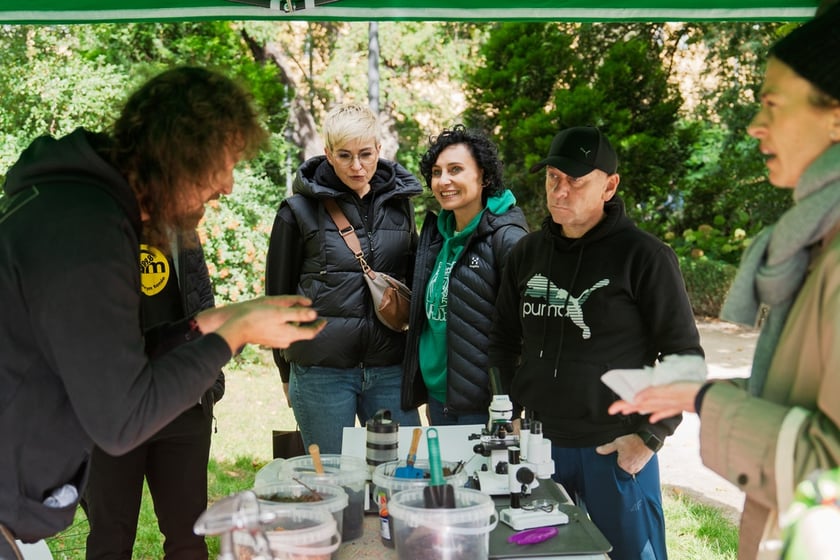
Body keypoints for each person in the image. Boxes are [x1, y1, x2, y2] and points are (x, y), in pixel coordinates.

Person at [0, 66, 326, 557]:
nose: (229, 186)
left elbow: (108, 357)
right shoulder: (84, 228)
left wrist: (204, 325)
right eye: (226, 162)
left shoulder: (81, 205)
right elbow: (122, 420)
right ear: (180, 151)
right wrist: (230, 336)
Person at [608, 4, 840, 559]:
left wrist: (708, 398)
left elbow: (827, 472)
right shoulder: (817, 238)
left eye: (773, 106)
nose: (756, 126)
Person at [488, 126, 704, 560]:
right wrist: (503, 410)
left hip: (613, 449)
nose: (560, 192)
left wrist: (650, 436)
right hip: (539, 447)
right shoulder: (526, 255)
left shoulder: (645, 257)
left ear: (609, 186)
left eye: (576, 181)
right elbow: (502, 341)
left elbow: (684, 356)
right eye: (553, 178)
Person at [266, 103, 422, 455]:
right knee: (332, 482)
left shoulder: (401, 206)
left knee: (405, 472)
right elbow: (276, 298)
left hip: (388, 370)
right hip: (322, 373)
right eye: (345, 155)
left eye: (365, 154)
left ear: (379, 151)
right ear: (328, 154)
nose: (357, 166)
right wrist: (284, 372)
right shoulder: (296, 212)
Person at [81, 230, 225, 560]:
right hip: (112, 411)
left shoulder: (179, 225)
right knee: (109, 541)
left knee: (189, 538)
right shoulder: (88, 222)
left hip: (183, 406)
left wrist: (210, 379)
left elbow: (200, 297)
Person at [401, 125, 528, 426]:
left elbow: (527, 331)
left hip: (485, 405)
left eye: (455, 169)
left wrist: (516, 411)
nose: (443, 181)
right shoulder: (437, 237)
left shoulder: (508, 239)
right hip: (439, 399)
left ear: (484, 176)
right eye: (436, 172)